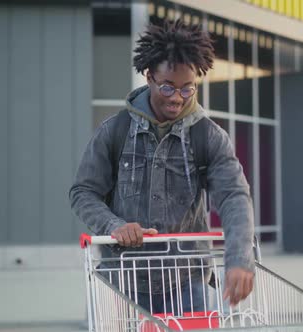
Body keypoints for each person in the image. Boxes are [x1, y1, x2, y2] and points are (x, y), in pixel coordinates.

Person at [69, 19, 255, 313]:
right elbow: (83, 192)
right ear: (149, 77)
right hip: (121, 281)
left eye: (187, 89)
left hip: (185, 284)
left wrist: (240, 259)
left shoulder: (208, 136)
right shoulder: (115, 131)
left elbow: (234, 196)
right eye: (168, 88)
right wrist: (114, 225)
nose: (177, 99)